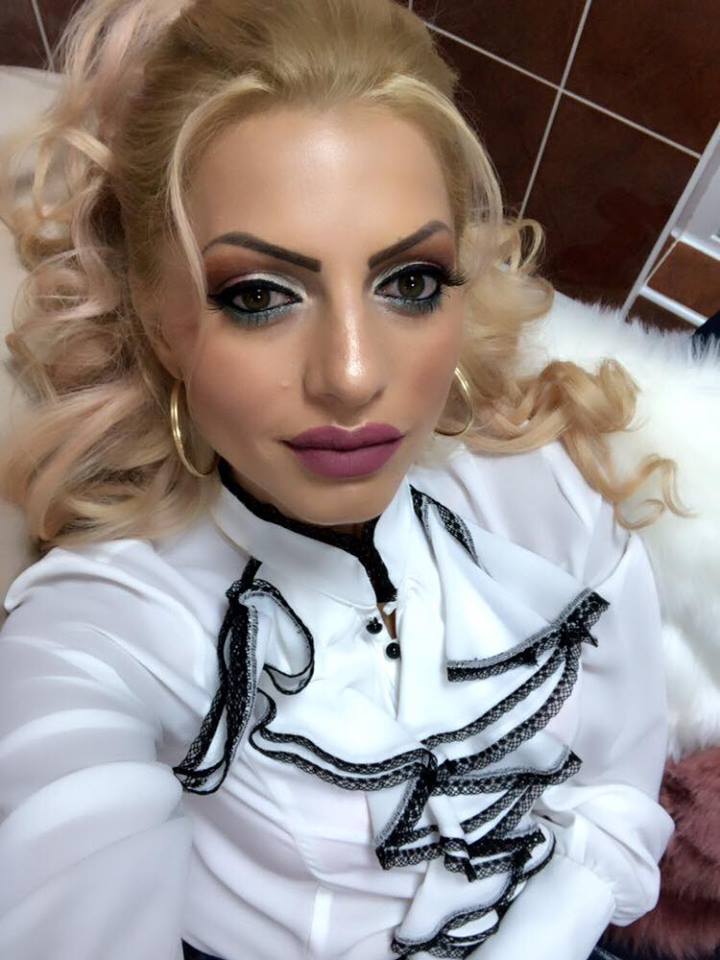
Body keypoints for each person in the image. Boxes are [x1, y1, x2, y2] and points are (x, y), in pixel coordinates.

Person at [0, 1, 690, 958]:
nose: (354, 375)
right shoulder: (104, 630)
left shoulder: (541, 489)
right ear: (156, 316)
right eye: (259, 296)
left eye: (410, 282)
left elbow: (618, 791)